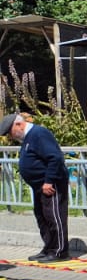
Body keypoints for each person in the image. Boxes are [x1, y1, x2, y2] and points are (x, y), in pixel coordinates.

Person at [2, 111, 70, 262]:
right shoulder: (28, 137)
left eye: (10, 133)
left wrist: (49, 181)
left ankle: (60, 251)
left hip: (50, 183)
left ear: (18, 124)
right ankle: (49, 248)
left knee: (54, 216)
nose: (10, 137)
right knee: (42, 216)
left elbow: (55, 158)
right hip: (38, 185)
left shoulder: (39, 134)